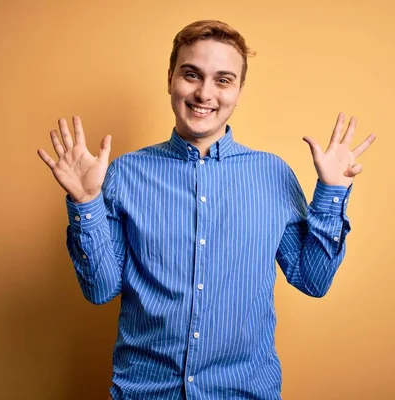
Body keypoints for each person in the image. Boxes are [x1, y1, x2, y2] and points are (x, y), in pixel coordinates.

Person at [37, 19, 375, 400]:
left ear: (239, 90)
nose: (204, 93)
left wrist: (330, 193)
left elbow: (313, 280)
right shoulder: (124, 173)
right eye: (191, 74)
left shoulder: (273, 174)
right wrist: (86, 203)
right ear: (170, 79)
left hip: (243, 392)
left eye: (223, 80)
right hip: (145, 393)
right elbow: (100, 289)